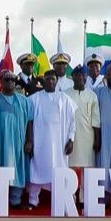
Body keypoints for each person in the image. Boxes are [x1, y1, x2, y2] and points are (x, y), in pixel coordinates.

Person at [26, 70, 77, 209]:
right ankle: (33, 200)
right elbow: (29, 121)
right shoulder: (34, 98)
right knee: (37, 168)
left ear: (56, 81)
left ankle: (65, 199)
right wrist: (30, 140)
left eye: (53, 79)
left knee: (59, 169)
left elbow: (73, 121)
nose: (50, 81)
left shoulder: (65, 99)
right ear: (43, 81)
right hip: (40, 142)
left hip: (60, 143)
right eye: (47, 79)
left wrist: (71, 140)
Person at [0, 71, 33, 207]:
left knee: (17, 169)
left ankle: (16, 199)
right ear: (1, 81)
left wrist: (29, 141)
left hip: (18, 144)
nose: (10, 82)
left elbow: (29, 121)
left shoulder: (24, 101)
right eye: (7, 79)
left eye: (12, 80)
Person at [64, 65, 100, 170]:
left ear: (86, 77)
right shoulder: (65, 95)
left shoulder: (92, 95)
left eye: (83, 75)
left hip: (88, 138)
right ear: (72, 77)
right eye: (77, 75)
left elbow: (96, 119)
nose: (80, 77)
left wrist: (97, 139)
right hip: (70, 138)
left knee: (88, 171)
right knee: (70, 169)